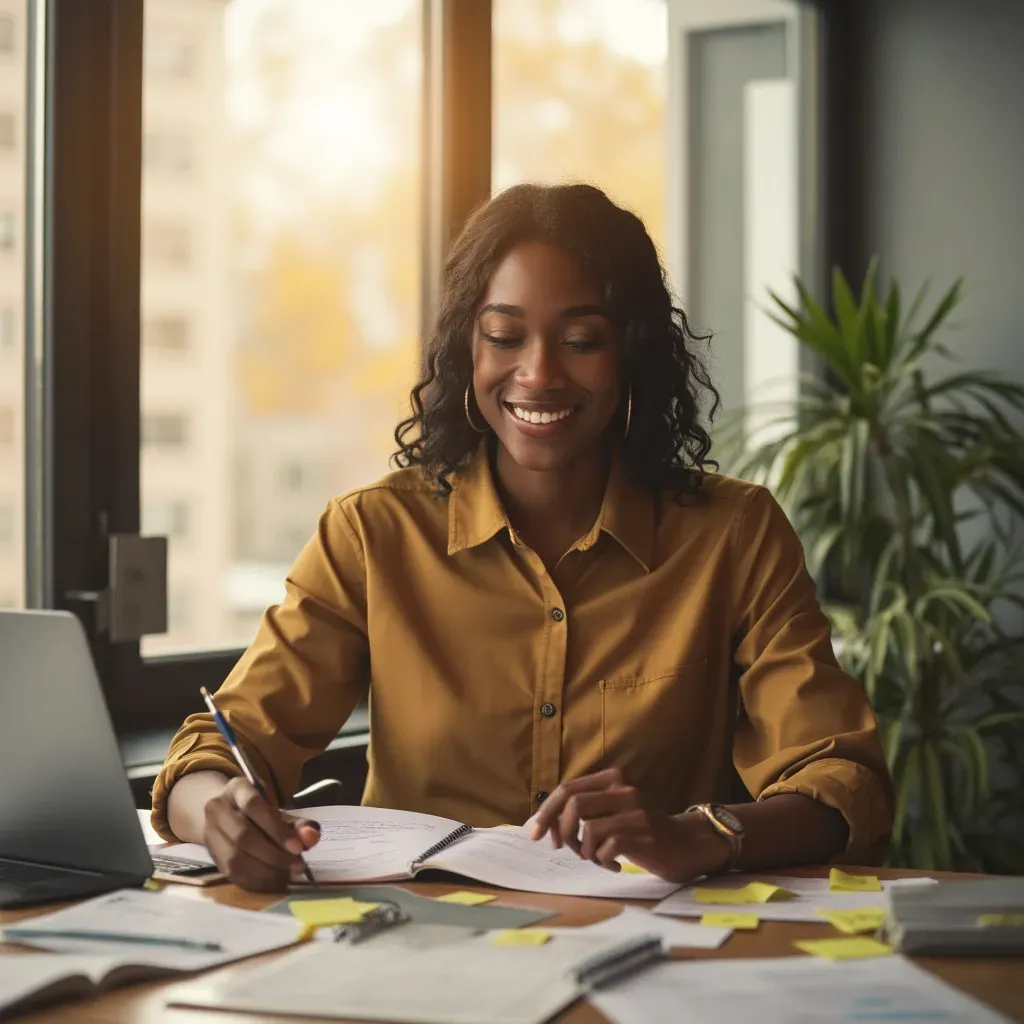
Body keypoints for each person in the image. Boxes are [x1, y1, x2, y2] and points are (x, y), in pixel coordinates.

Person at [153, 183, 894, 892]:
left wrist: (704, 833)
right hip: (415, 948)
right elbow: (225, 741)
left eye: (580, 341)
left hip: (651, 950)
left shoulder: (735, 535)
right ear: (464, 350)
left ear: (631, 352)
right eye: (504, 336)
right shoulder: (372, 535)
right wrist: (216, 809)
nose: (537, 373)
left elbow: (839, 778)